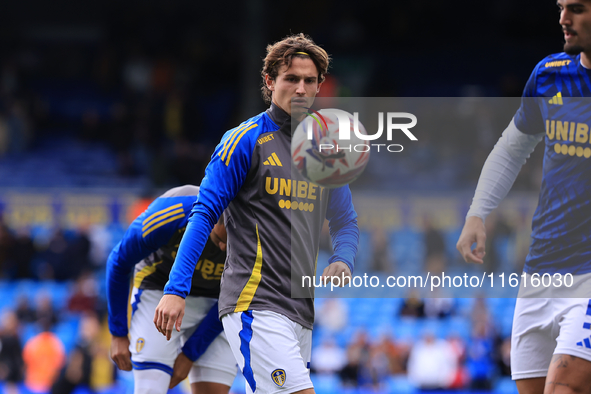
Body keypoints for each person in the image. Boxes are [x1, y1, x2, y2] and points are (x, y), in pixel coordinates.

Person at [154, 33, 359, 394]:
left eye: (309, 80)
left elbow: (345, 221)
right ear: (269, 82)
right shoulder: (244, 139)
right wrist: (175, 289)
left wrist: (343, 257)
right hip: (255, 304)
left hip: (301, 311)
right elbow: (204, 214)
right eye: (291, 78)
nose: (300, 89)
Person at [456, 1, 591, 393]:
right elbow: (513, 148)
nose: (563, 19)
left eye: (577, 8)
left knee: (562, 386)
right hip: (541, 269)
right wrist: (477, 213)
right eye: (561, 7)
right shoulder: (549, 75)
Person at [106, 185, 236, 394]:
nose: (222, 248)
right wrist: (118, 333)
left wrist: (189, 354)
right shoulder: (171, 212)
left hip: (217, 302)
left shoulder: (257, 238)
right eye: (219, 240)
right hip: (159, 289)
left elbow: (235, 297)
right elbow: (119, 262)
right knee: (151, 388)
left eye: (230, 245)